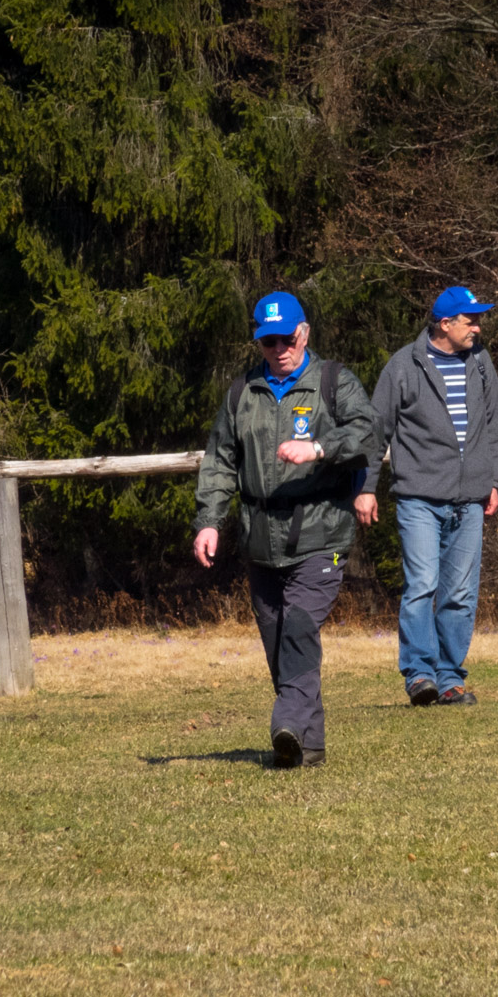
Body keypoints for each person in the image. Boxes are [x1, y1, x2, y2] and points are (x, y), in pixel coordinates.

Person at [194, 291, 376, 767]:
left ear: (305, 333)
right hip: (259, 537)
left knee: (298, 627)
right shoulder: (242, 393)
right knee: (277, 638)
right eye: (268, 341)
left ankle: (286, 722)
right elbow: (220, 462)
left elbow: (368, 433)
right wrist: (210, 522)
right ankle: (307, 743)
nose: (279, 349)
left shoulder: (334, 383)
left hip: (320, 532)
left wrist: (319, 449)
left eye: (287, 339)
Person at [354, 286, 498, 706]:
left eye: (478, 320)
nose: (477, 327)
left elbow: (494, 427)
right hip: (418, 497)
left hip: (471, 499)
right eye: (470, 320)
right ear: (445, 324)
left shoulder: (480, 363)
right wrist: (366, 488)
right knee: (422, 584)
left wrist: (492, 480)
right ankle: (420, 675)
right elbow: (375, 432)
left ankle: (450, 678)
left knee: (460, 592)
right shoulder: (404, 366)